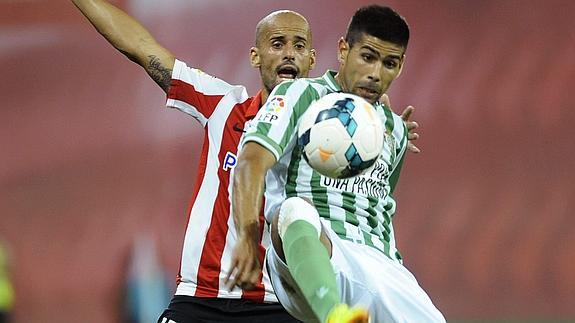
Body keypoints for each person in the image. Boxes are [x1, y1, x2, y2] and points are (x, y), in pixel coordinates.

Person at [72, 1, 420, 322]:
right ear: (255, 57)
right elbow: (142, 49)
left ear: (313, 59)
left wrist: (379, 129)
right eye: (277, 43)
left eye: (299, 46)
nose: (288, 54)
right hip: (201, 297)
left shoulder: (332, 133)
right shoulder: (223, 105)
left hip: (279, 303)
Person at [229, 5, 444, 323]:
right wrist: (247, 236)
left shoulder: (395, 130)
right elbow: (250, 161)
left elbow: (381, 205)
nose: (375, 73)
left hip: (381, 266)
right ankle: (335, 316)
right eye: (367, 57)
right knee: (292, 210)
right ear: (344, 50)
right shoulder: (300, 94)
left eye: (389, 63)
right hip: (317, 252)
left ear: (400, 67)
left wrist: (392, 130)